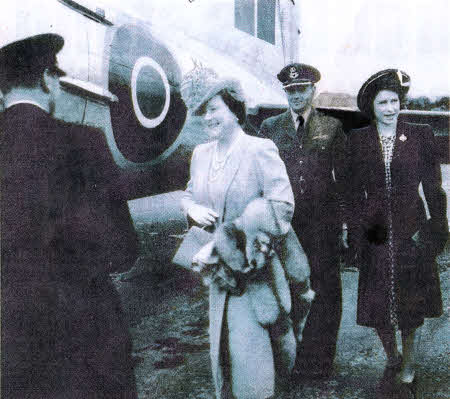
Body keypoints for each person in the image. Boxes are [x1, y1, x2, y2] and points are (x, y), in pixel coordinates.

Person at [0, 34, 139, 398]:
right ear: (48, 79)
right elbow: (125, 249)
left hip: (10, 338)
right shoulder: (84, 142)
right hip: (85, 334)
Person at [180, 66, 312, 398]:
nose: (207, 118)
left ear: (234, 109)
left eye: (214, 109)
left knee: (253, 370)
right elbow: (190, 194)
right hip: (219, 280)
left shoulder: (258, 148)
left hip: (256, 276)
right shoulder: (200, 154)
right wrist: (190, 208)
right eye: (202, 112)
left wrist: (228, 238)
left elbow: (282, 206)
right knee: (223, 363)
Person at [347, 69, 448, 398]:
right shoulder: (358, 139)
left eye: (394, 101)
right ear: (371, 106)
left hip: (412, 231)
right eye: (383, 102)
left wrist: (438, 227)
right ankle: (392, 357)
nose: (390, 108)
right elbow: (351, 192)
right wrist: (355, 230)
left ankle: (409, 364)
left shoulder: (420, 134)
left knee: (410, 303)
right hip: (375, 233)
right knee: (376, 305)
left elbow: (434, 188)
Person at [259, 63, 347, 379]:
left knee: (325, 290)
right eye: (291, 91)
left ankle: (319, 361)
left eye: (302, 89)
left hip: (323, 224)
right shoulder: (270, 128)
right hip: (285, 225)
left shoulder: (332, 127)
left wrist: (345, 225)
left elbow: (345, 181)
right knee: (284, 289)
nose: (296, 95)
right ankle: (287, 358)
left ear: (313, 91)